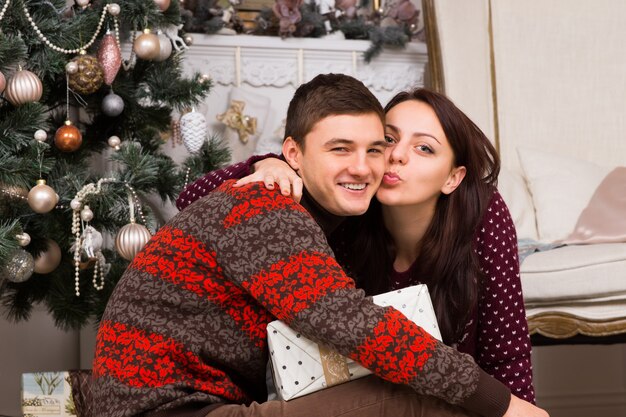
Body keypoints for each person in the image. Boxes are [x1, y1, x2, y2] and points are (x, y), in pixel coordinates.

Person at [92, 74, 547, 417]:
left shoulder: (355, 213)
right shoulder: (269, 209)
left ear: (454, 177)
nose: (366, 166)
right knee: (421, 399)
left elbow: (505, 344)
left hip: (203, 400)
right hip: (170, 410)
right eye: (340, 149)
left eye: (374, 149)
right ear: (293, 154)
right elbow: (356, 325)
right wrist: (501, 404)